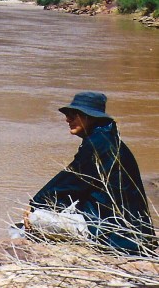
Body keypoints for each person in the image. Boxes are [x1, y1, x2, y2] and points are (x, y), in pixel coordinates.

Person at [25, 91, 156, 255]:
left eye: (74, 114)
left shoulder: (98, 145)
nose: (68, 119)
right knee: (52, 210)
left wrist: (35, 206)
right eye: (68, 114)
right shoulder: (106, 139)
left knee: (35, 220)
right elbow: (71, 181)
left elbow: (71, 182)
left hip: (115, 234)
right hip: (130, 230)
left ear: (90, 117)